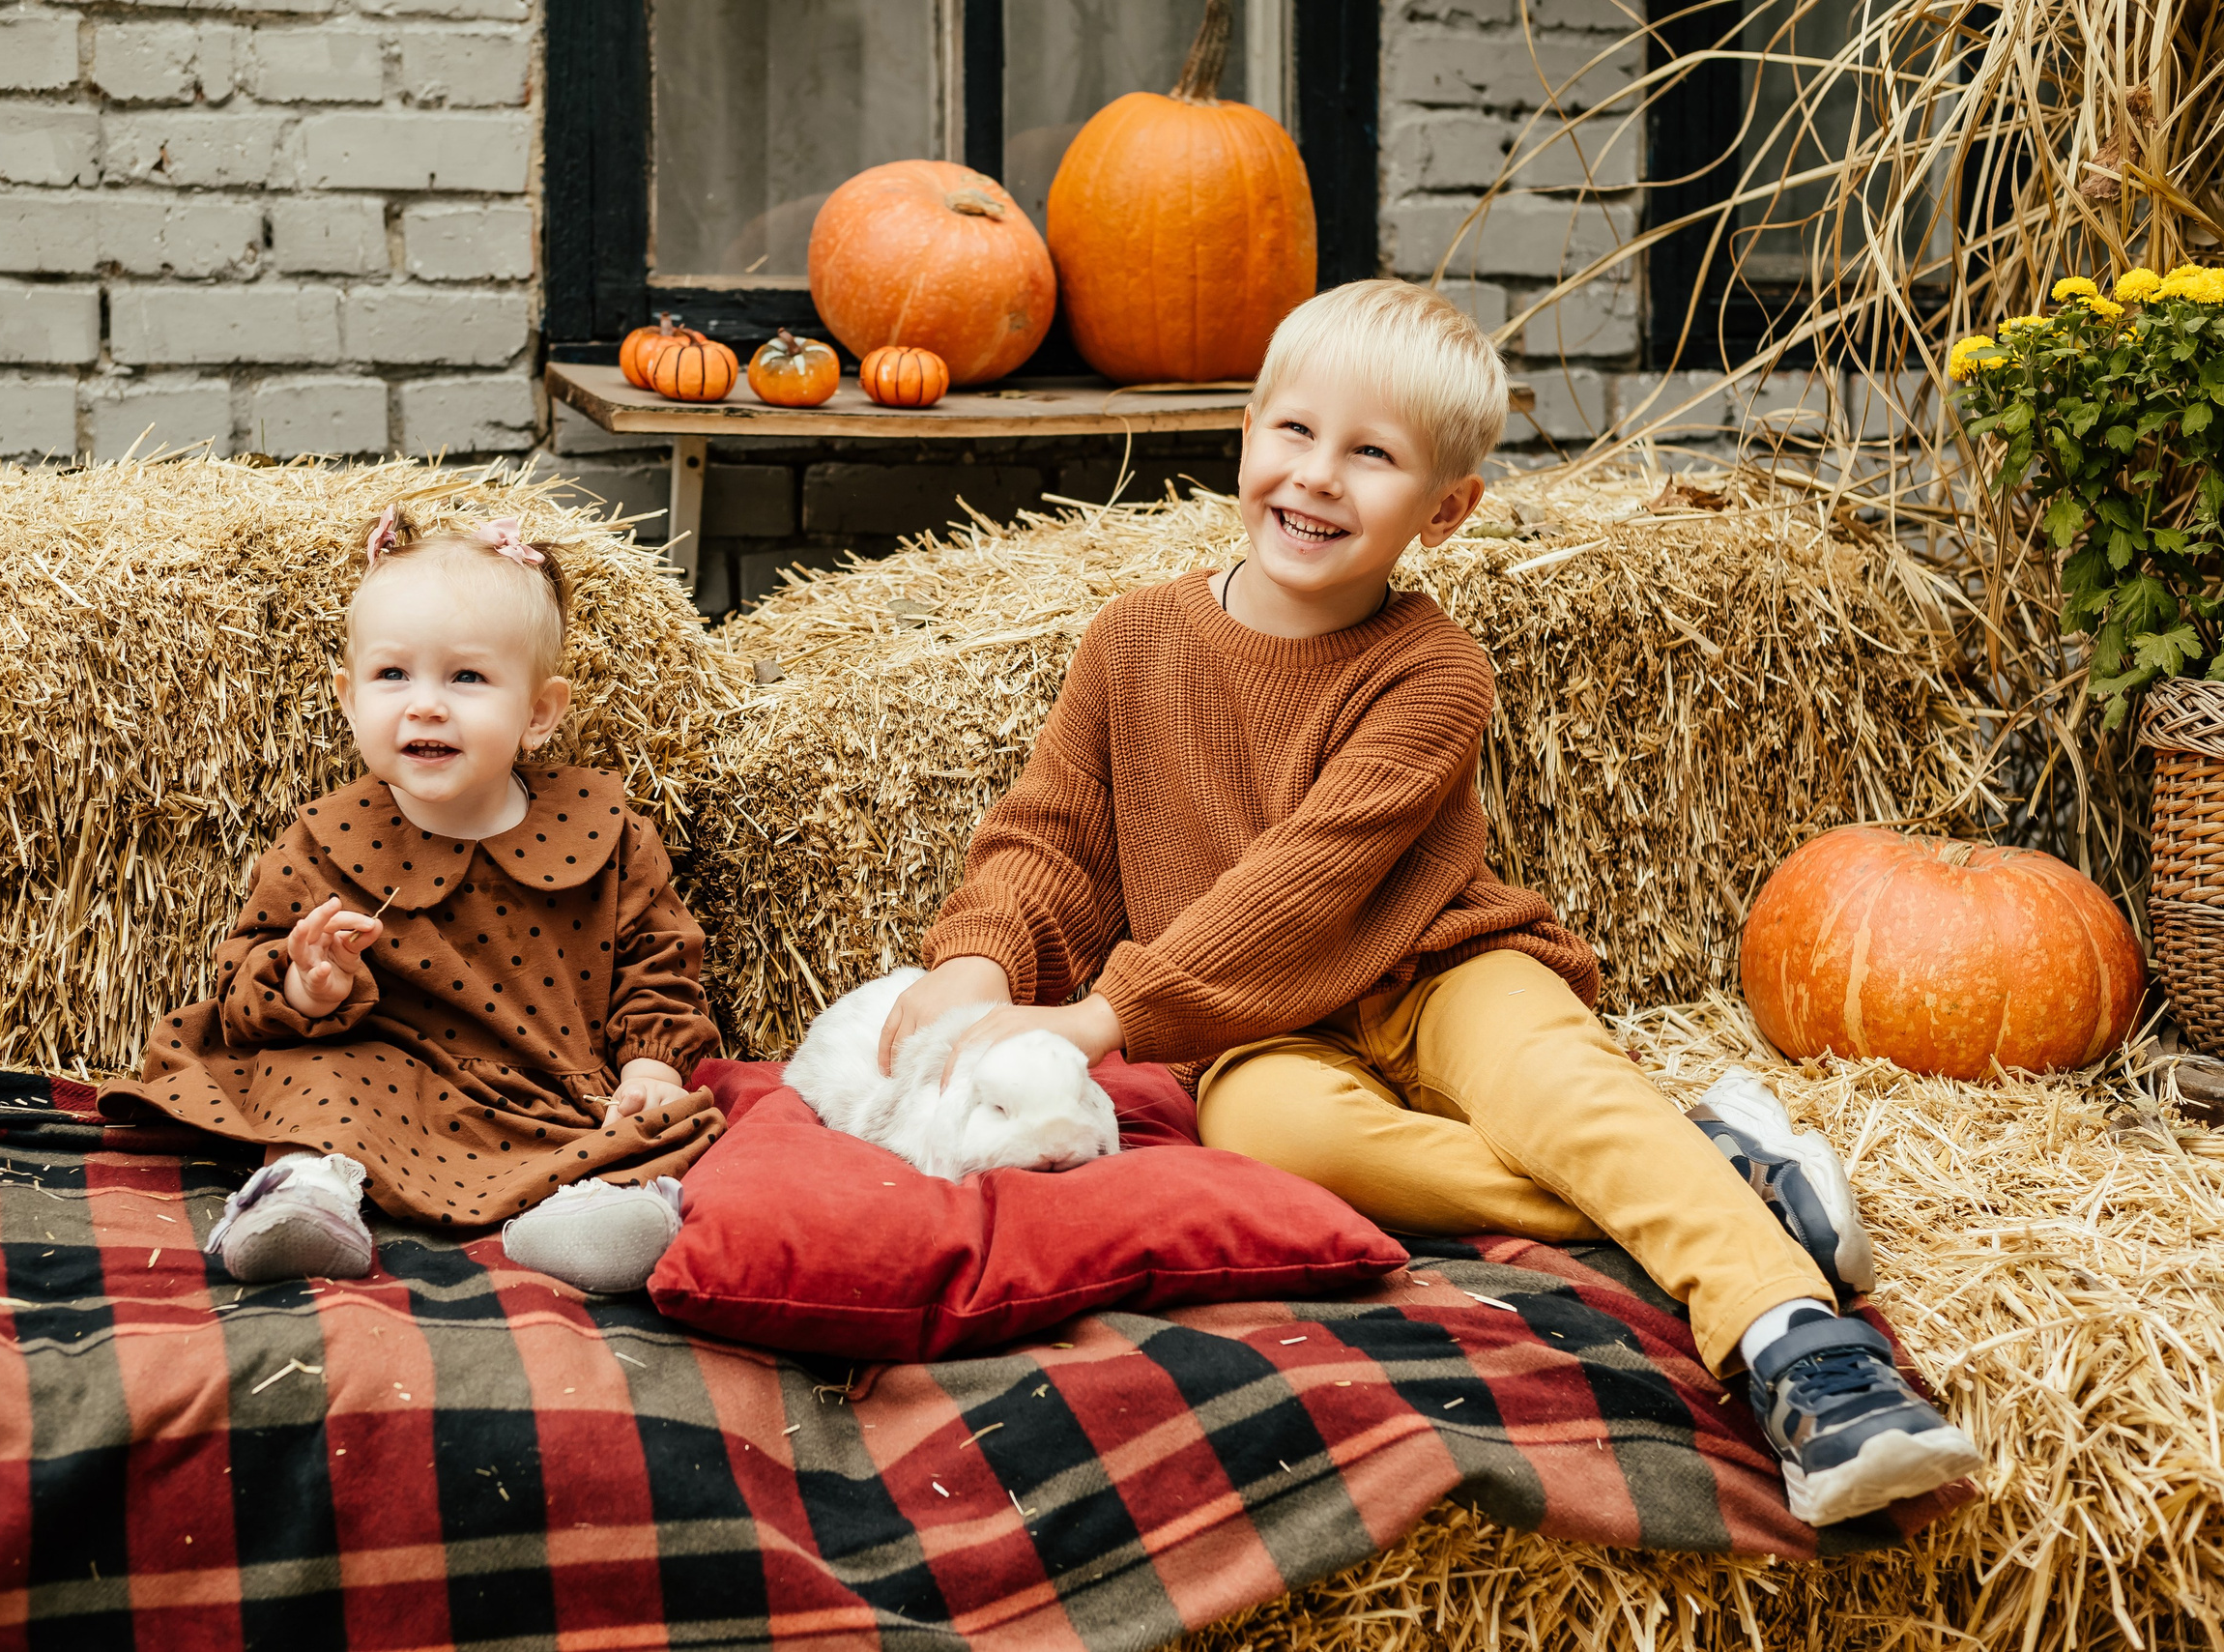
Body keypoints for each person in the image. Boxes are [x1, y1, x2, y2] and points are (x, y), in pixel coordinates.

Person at [876, 279, 1981, 1527]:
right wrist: (980, 959)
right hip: (1261, 1030)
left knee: (1553, 1083)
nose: (1317, 475)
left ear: (1446, 511)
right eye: (1296, 430)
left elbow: (1307, 880)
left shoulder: (1435, 672)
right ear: (1246, 432)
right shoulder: (1133, 642)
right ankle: (1714, 1169)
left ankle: (1798, 1341)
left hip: (1442, 968)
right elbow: (1052, 835)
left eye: (1374, 454)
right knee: (1272, 1139)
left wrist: (1101, 1014)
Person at [102, 507, 720, 1284]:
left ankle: (584, 1212)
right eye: (393, 675)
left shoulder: (604, 831)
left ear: (538, 712)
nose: (425, 703)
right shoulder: (327, 839)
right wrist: (306, 984)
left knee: (650, 1125)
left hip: (550, 1092)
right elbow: (240, 987)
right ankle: (307, 1195)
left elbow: (659, 962)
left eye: (467, 677)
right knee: (313, 1081)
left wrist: (651, 1068)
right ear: (349, 698)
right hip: (381, 1079)